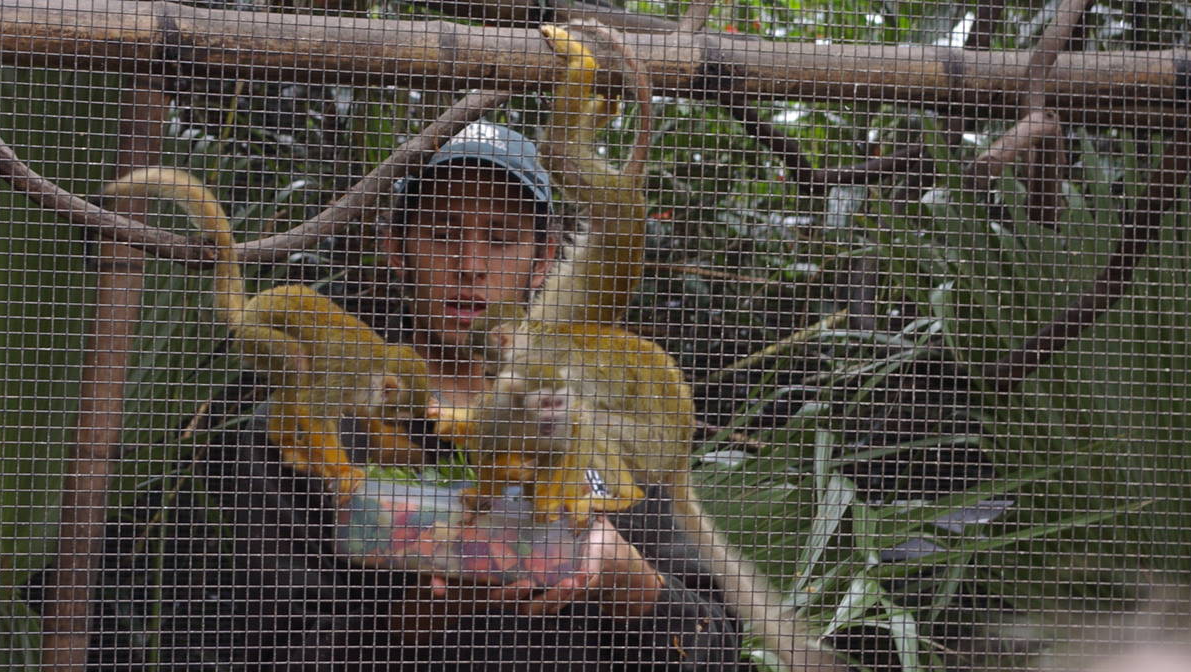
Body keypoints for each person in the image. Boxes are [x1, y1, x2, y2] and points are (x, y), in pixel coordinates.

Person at [107, 124, 742, 671]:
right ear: (396, 247)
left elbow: (717, 648)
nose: (470, 263)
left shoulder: (597, 429)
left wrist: (629, 580)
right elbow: (235, 648)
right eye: (442, 231)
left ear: (543, 259)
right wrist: (415, 622)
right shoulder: (299, 431)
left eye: (500, 237)